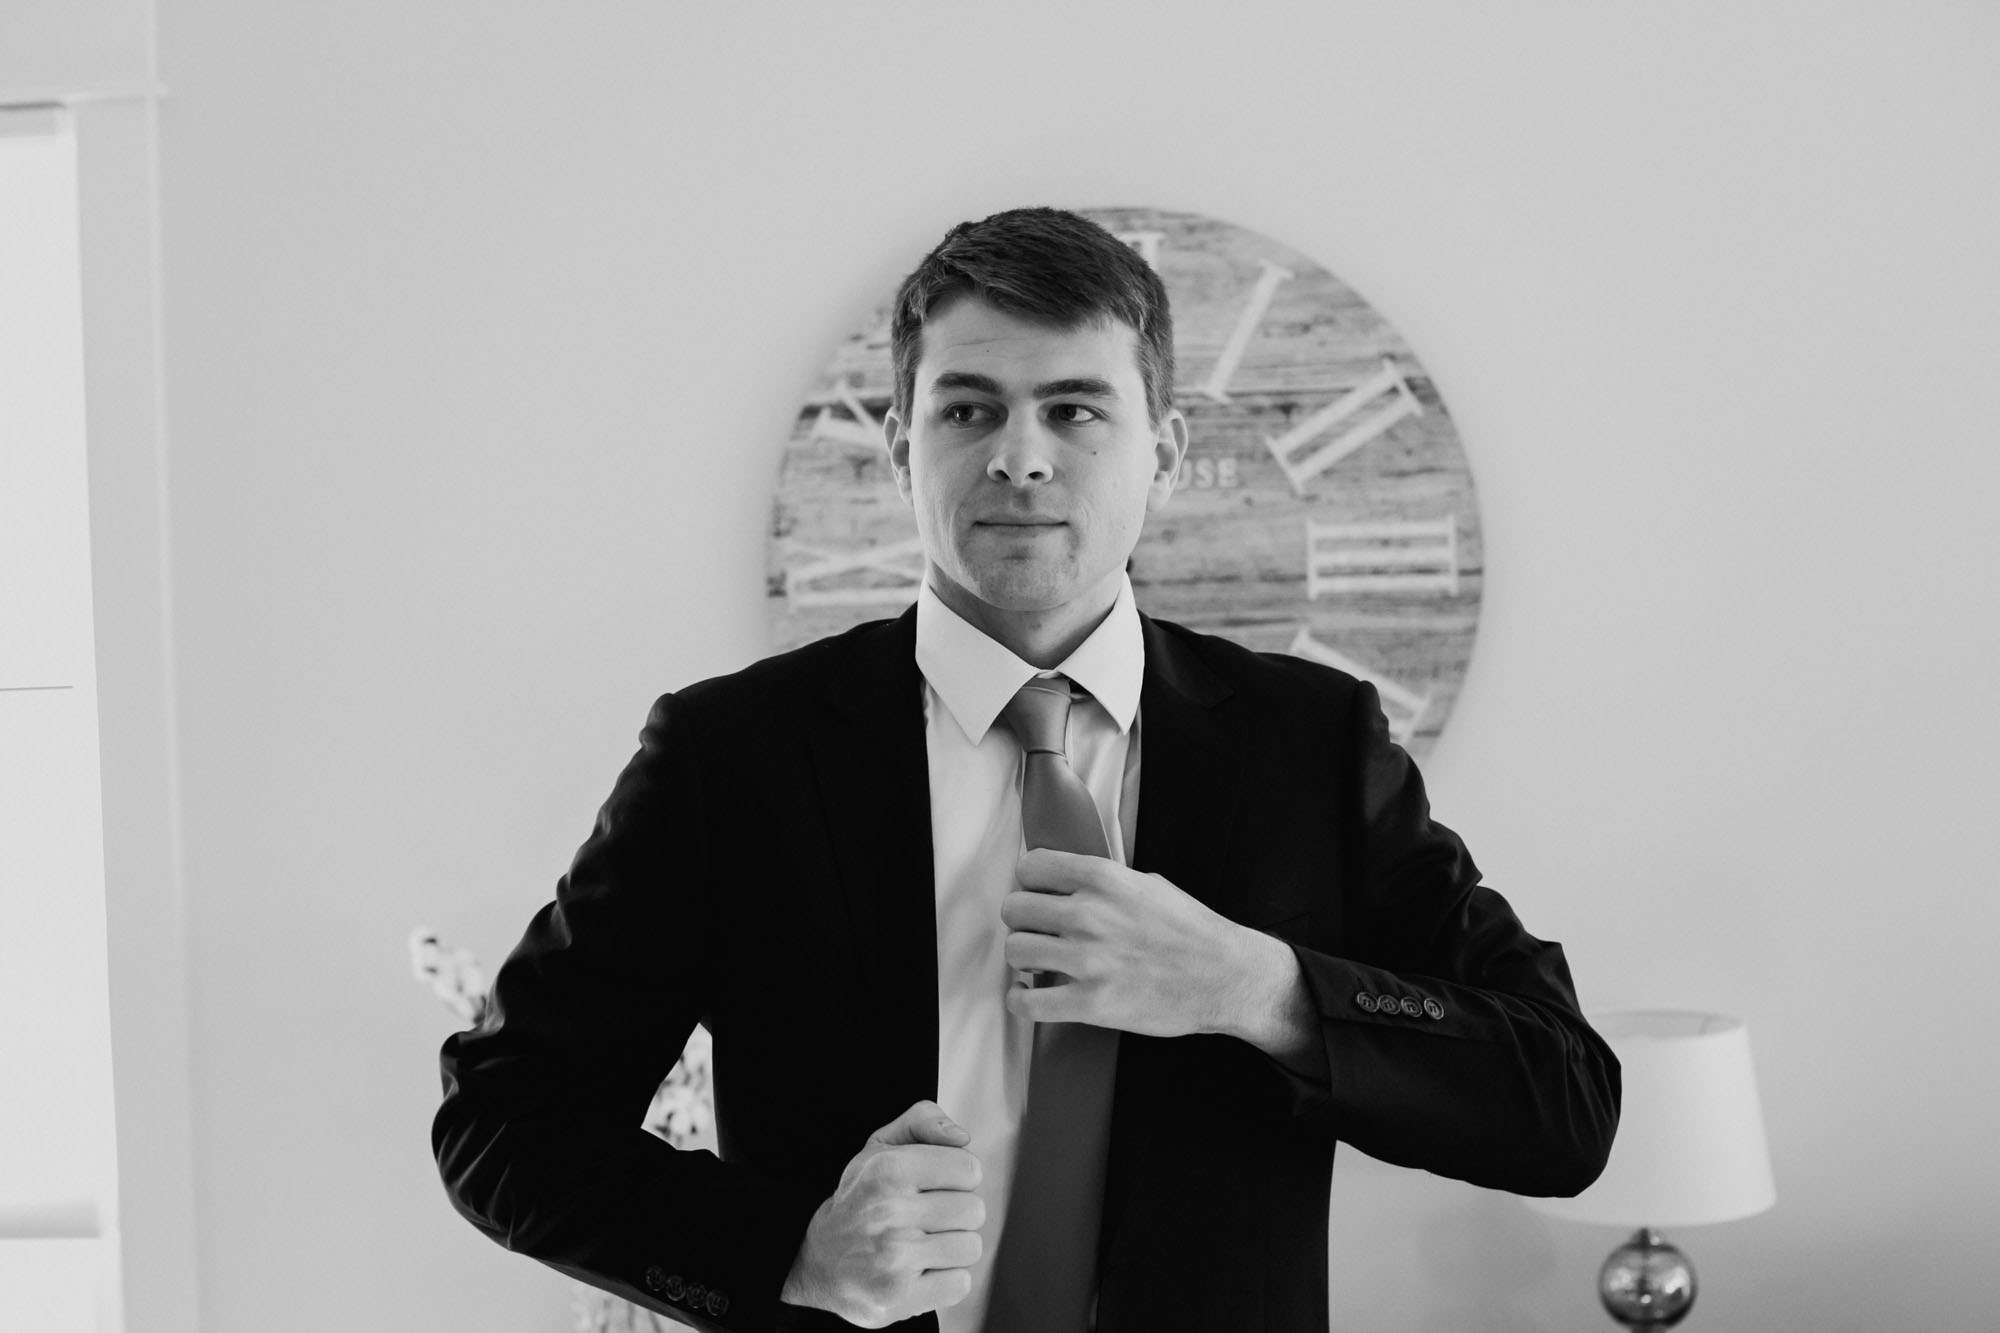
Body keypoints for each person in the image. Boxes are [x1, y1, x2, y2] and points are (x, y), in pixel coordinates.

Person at [432, 206, 1621, 1333]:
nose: (1018, 457)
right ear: (899, 447)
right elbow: (500, 1119)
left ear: (1164, 452)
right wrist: (792, 1252)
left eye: (1074, 409)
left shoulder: (1308, 742)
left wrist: (1255, 989)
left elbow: (1563, 1099)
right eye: (966, 410)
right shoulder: (729, 752)